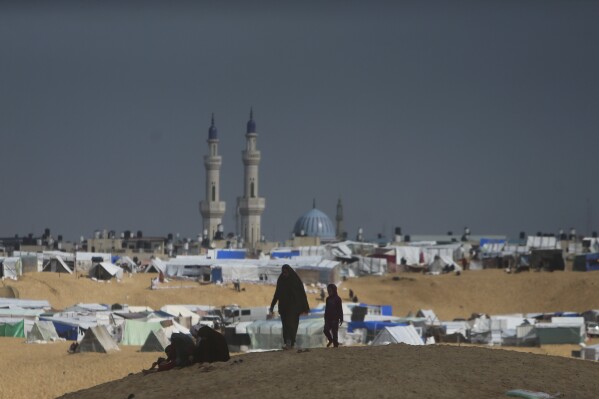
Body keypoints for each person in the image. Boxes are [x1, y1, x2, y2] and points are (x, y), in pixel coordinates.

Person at [269, 264, 310, 350]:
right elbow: (277, 293)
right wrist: (272, 306)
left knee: (292, 325)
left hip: (294, 307)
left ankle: (291, 342)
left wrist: (305, 307)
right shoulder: (281, 280)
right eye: (283, 272)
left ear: (289, 272)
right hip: (284, 307)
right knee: (286, 325)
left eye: (286, 272)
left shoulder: (295, 280)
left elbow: (302, 294)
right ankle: (288, 342)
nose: (284, 274)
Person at [323, 284, 343, 348]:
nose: (329, 292)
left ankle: (335, 346)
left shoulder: (338, 299)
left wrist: (341, 318)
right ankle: (330, 340)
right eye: (328, 291)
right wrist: (325, 317)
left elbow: (340, 309)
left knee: (334, 333)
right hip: (328, 318)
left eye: (330, 291)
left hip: (335, 319)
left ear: (334, 291)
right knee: (325, 330)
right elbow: (327, 309)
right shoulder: (328, 299)